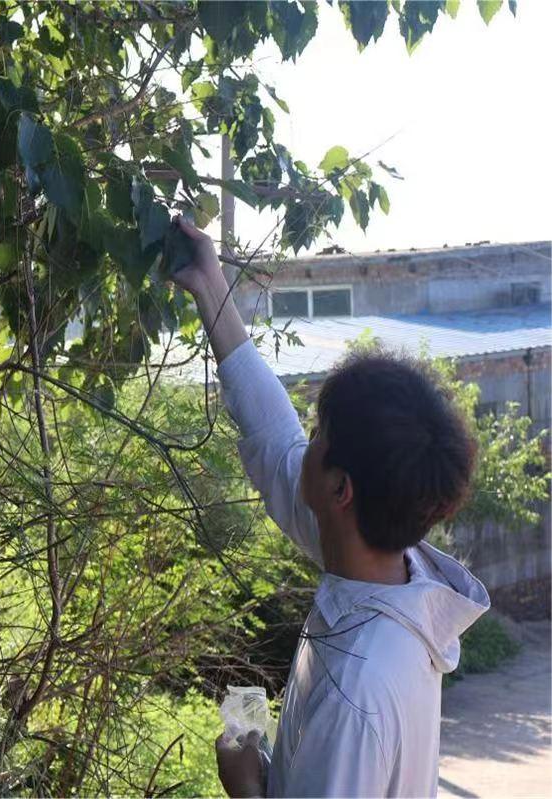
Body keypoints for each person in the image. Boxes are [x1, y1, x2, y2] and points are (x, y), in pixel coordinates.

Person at [170, 218, 490, 798]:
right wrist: (210, 286)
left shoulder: (357, 691)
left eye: (317, 434)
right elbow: (274, 441)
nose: (304, 444)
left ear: (341, 490)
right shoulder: (380, 575)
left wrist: (245, 788)